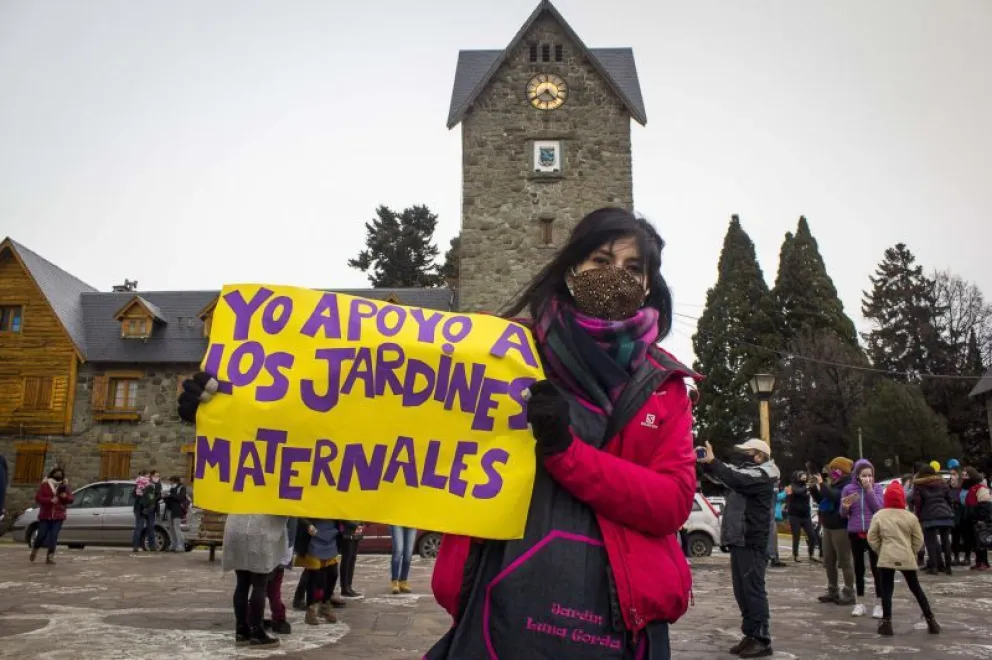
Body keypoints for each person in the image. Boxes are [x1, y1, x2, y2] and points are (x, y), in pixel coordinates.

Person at [424, 209, 697, 659]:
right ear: (572, 270)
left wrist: (566, 452)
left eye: (633, 269)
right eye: (600, 260)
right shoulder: (507, 356)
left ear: (649, 286)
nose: (615, 277)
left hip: (618, 620)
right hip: (500, 600)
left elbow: (670, 502)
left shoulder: (664, 386)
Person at [700, 439, 778, 658]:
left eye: (747, 452)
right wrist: (707, 464)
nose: (742, 455)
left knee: (753, 590)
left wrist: (715, 461)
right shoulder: (749, 472)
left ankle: (762, 639)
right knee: (742, 591)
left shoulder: (764, 474)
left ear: (760, 455)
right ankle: (751, 634)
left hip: (753, 540)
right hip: (740, 539)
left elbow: (736, 478)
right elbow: (725, 476)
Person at [867, 480, 940, 636]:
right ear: (902, 498)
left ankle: (887, 622)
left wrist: (881, 550)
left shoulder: (879, 515)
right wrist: (911, 551)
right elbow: (918, 540)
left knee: (887, 589)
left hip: (886, 556)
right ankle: (930, 619)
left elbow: (872, 537)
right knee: (916, 588)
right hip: (906, 556)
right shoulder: (910, 517)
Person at [222, 514, 285, 646]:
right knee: (259, 583)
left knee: (242, 582)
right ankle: (257, 631)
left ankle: (241, 630)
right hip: (261, 529)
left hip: (236, 526)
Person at [840, 459, 883, 619]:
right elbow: (843, 514)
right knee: (858, 567)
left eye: (870, 475)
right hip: (855, 531)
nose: (867, 478)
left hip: (873, 532)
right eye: (864, 475)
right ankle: (860, 602)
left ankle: (880, 604)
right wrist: (845, 507)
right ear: (857, 476)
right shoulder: (848, 489)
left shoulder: (877, 488)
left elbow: (879, 509)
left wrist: (869, 490)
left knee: (877, 568)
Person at [811, 458, 856, 606]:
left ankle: (849, 592)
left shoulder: (848, 485)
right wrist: (813, 488)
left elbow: (834, 497)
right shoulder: (834, 483)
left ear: (842, 470)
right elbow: (823, 499)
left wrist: (821, 484)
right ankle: (832, 590)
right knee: (828, 560)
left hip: (840, 527)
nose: (831, 472)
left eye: (834, 469)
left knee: (844, 560)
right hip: (828, 526)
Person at [294, 518, 342, 625]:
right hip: (313, 536)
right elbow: (299, 513)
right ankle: (310, 610)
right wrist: (307, 525)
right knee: (313, 576)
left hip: (330, 536)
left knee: (333, 573)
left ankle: (325, 606)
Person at [911, 464, 954, 575]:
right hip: (945, 514)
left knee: (931, 541)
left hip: (929, 515)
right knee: (946, 541)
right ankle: (948, 567)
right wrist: (949, 511)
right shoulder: (942, 483)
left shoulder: (919, 485)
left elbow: (918, 502)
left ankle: (934, 567)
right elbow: (949, 499)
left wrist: (918, 515)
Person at [30, 467, 74, 564]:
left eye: (60, 474)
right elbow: (38, 498)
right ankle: (35, 550)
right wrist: (49, 500)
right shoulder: (45, 484)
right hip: (45, 515)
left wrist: (65, 497)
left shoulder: (65, 486)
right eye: (56, 473)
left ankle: (50, 557)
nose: (58, 475)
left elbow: (71, 499)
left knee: (53, 536)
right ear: (52, 474)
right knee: (41, 535)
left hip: (58, 515)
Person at [961, 467, 991, 572]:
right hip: (970, 518)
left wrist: (981, 519)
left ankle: (984, 562)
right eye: (963, 475)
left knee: (981, 541)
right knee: (974, 542)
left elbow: (985, 504)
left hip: (979, 519)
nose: (964, 477)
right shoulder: (970, 489)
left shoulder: (981, 488)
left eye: (966, 475)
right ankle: (978, 561)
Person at [785, 470, 818, 563]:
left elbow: (816, 494)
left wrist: (813, 485)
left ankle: (811, 554)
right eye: (802, 476)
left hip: (805, 515)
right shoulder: (793, 486)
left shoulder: (806, 486)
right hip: (794, 515)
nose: (804, 477)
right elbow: (797, 492)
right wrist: (807, 486)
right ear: (797, 477)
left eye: (805, 475)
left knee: (812, 535)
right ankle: (796, 555)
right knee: (796, 536)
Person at [948, 465, 971, 567]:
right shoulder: (949, 486)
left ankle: (967, 557)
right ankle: (956, 557)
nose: (952, 476)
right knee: (955, 537)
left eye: (954, 474)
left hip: (965, 513)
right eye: (951, 474)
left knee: (966, 536)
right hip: (953, 513)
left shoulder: (965, 486)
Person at [131, 469, 158, 552]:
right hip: (148, 509)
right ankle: (152, 546)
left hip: (138, 508)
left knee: (138, 527)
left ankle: (135, 546)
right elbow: (151, 497)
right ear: (147, 475)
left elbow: (133, 495)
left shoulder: (136, 484)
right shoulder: (150, 485)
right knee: (150, 528)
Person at [338, 521, 363, 597]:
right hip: (347, 531)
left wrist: (361, 524)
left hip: (356, 531)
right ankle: (344, 588)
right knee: (347, 559)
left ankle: (349, 586)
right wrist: (355, 526)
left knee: (352, 559)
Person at [163, 476, 188, 552]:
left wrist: (170, 495)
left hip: (177, 511)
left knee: (177, 528)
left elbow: (180, 498)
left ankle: (180, 545)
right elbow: (169, 500)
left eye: (171, 482)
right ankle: (173, 544)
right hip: (170, 510)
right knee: (171, 528)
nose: (170, 483)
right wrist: (165, 497)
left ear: (174, 481)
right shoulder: (172, 488)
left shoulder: (182, 488)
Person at [389, 525, 417, 594]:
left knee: (408, 553)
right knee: (398, 550)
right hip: (397, 520)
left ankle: (403, 581)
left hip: (412, 521)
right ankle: (395, 582)